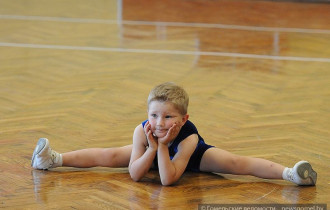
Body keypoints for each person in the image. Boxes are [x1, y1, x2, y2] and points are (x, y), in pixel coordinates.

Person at [31, 82, 317, 186]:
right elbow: (134, 174)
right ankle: (53, 160)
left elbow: (168, 180)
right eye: (154, 115)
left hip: (187, 158)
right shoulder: (143, 131)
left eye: (168, 117)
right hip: (154, 153)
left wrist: (164, 147)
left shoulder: (190, 136)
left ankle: (290, 174)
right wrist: (152, 149)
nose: (159, 122)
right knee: (109, 155)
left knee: (234, 164)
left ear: (184, 119)